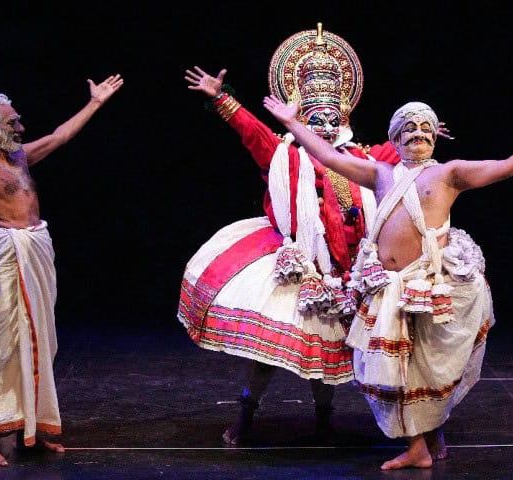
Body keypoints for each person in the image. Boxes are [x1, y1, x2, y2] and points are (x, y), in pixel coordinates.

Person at [263, 95, 513, 469]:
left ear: (435, 138)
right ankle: (420, 444)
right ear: (395, 139)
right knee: (390, 368)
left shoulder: (449, 173)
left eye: (425, 130)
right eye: (409, 129)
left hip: (429, 285)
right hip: (388, 288)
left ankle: (427, 437)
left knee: (428, 365)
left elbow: (506, 167)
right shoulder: (381, 173)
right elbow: (331, 157)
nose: (418, 135)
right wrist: (292, 123)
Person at [178, 24, 450, 446]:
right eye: (314, 118)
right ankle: (245, 417)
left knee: (334, 350)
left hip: (353, 269)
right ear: (302, 118)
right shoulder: (285, 153)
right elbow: (254, 132)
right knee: (270, 355)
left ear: (343, 118)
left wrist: (419, 134)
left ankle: (328, 420)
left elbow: (405, 149)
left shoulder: (365, 157)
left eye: (330, 118)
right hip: (301, 265)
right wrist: (222, 98)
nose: (323, 126)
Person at [0, 74, 124, 467]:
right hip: (7, 249)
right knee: (1, 340)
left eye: (19, 121)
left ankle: (34, 429)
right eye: (12, 123)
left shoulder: (20, 157)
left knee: (41, 336)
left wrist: (95, 104)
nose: (21, 128)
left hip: (36, 247)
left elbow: (60, 136)